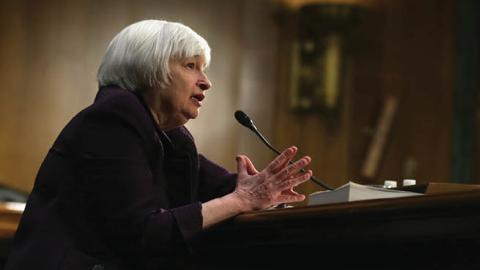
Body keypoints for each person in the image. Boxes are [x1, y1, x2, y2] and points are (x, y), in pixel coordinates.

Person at [4, 19, 312, 270]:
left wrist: (265, 191)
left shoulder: (171, 136)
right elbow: (144, 232)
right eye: (191, 66)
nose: (206, 81)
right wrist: (241, 200)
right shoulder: (114, 119)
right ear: (149, 69)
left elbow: (227, 188)